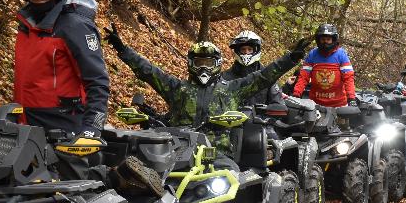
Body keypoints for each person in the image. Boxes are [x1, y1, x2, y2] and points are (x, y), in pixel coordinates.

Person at [104, 27, 311, 156]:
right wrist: (123, 50)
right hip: (176, 152)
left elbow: (264, 76)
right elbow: (149, 72)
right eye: (199, 62)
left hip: (218, 156)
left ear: (217, 64)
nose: (203, 67)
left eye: (208, 62)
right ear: (191, 64)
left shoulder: (232, 88)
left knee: (233, 195)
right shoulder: (177, 88)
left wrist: (291, 58)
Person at [13, 0, 108, 141]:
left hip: (66, 129)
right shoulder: (27, 25)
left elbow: (97, 80)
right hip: (27, 124)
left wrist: (93, 126)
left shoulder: (74, 25)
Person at [292, 23, 357, 107]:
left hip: (338, 104)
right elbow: (304, 76)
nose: (325, 42)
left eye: (328, 39)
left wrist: (351, 98)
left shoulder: (341, 54)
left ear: (333, 40)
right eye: (323, 39)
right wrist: (296, 94)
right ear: (318, 40)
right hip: (315, 104)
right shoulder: (312, 54)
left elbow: (348, 77)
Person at [221, 30, 284, 107]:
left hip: (259, 118)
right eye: (243, 49)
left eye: (249, 49)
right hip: (230, 118)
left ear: (256, 50)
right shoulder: (225, 77)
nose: (246, 52)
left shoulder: (268, 75)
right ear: (237, 51)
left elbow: (277, 103)